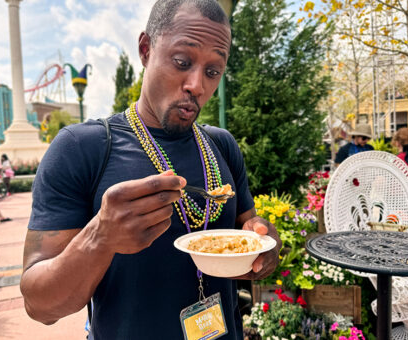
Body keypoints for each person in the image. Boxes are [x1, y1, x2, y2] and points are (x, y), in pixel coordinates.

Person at [20, 1, 281, 339]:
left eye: (213, 71)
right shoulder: (82, 147)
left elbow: (246, 239)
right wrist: (100, 238)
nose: (197, 86)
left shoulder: (222, 145)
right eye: (182, 62)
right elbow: (39, 306)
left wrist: (263, 250)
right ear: (145, 49)